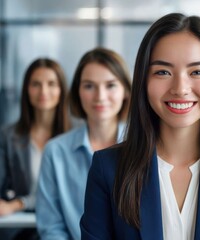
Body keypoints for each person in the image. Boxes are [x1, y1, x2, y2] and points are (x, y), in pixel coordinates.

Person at [80, 13, 200, 240]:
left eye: (197, 72)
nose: (180, 88)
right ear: (143, 80)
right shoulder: (108, 169)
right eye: (163, 72)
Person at [36, 48, 132, 239]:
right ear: (77, 91)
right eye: (89, 86)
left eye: (110, 85)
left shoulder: (143, 149)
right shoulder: (55, 152)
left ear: (126, 91)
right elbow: (51, 228)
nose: (100, 96)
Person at [0, 58, 71, 240]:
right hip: (19, 230)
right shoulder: (8, 136)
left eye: (51, 84)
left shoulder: (78, 134)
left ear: (62, 89)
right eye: (36, 84)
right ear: (26, 90)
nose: (43, 91)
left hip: (66, 227)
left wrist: (18, 203)